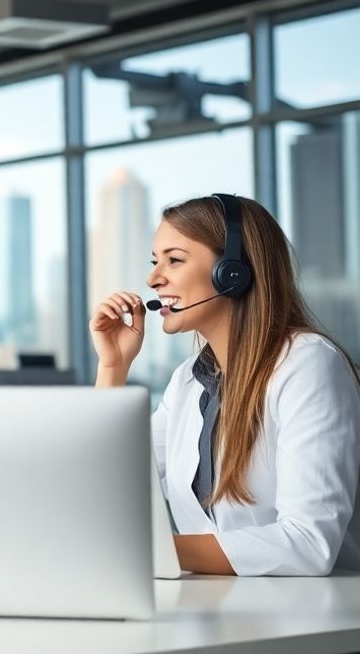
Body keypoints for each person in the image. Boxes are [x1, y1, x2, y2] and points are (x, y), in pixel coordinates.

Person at [91, 193, 360, 576]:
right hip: (215, 608)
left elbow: (308, 543)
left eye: (174, 260)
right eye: (155, 262)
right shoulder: (187, 381)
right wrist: (113, 366)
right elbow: (106, 483)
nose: (153, 279)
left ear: (233, 272)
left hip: (313, 620)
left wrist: (149, 550)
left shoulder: (307, 365)